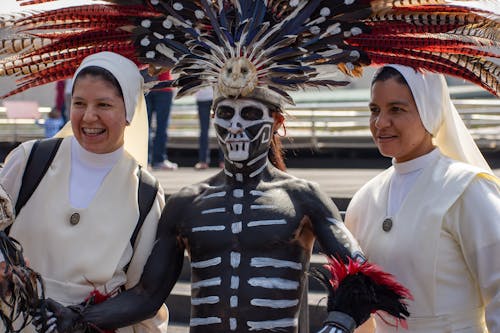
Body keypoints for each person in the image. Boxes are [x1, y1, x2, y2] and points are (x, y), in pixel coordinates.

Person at [0, 51, 169, 333]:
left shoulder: (145, 193)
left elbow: (141, 293)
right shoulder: (29, 160)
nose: (89, 116)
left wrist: (82, 320)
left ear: (128, 111)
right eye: (79, 103)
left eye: (104, 104)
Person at [345, 65, 500, 333]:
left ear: (429, 110)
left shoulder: (467, 189)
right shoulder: (364, 199)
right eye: (374, 110)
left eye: (396, 109)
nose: (381, 123)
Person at [144, 70, 178, 170]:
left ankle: (150, 161)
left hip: (151, 87)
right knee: (156, 128)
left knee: (150, 127)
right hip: (159, 87)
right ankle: (156, 160)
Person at [194, 87, 224, 170]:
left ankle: (223, 161)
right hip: (203, 98)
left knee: (221, 129)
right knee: (204, 131)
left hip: (218, 98)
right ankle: (203, 161)